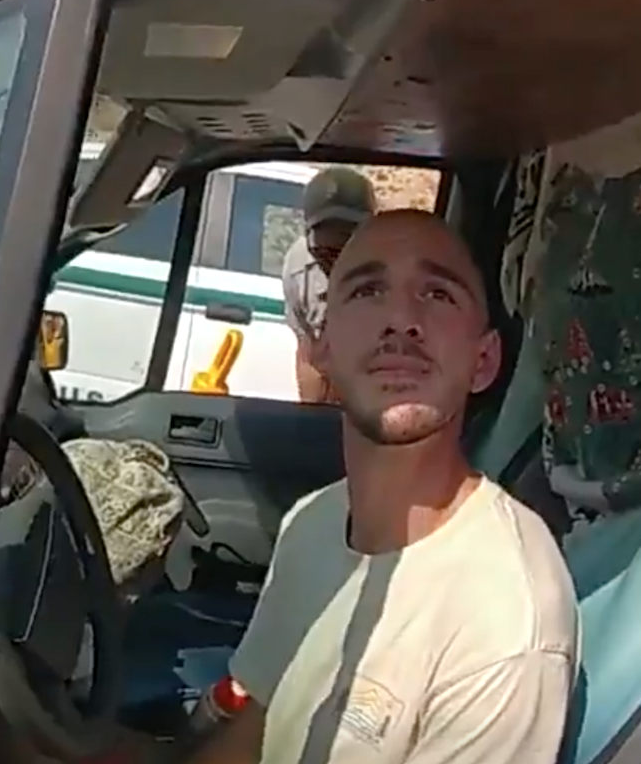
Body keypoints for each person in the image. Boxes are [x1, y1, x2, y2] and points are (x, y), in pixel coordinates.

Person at [193, 209, 579, 764]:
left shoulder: (506, 618)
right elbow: (255, 732)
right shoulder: (312, 522)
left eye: (439, 294)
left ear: (484, 359)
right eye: (368, 290)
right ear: (320, 345)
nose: (401, 318)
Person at [281, 167, 379, 403]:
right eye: (325, 252)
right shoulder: (298, 268)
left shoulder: (393, 270)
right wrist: (310, 420)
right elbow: (307, 355)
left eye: (347, 248)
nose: (337, 263)